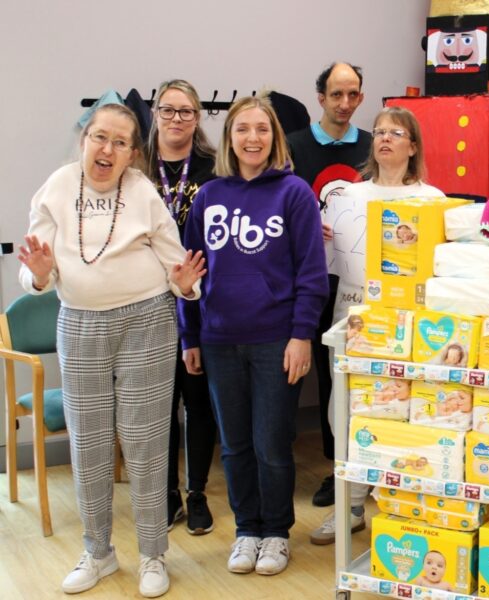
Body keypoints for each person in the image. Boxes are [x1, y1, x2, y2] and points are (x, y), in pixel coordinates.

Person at [18, 103, 205, 598]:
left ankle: (152, 554)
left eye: (120, 143)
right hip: (78, 324)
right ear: (84, 140)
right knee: (89, 443)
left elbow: (176, 266)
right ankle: (97, 551)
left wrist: (186, 285)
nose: (108, 150)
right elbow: (36, 272)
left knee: (145, 442)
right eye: (100, 138)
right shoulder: (57, 187)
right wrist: (38, 273)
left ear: (132, 153)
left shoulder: (142, 192)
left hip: (146, 321)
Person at [180, 96, 327, 576]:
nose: (252, 138)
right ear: (229, 138)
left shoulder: (294, 193)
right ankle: (247, 530)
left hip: (275, 341)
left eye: (262, 129)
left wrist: (302, 335)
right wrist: (191, 337)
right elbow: (190, 275)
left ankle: (276, 533)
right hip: (220, 340)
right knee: (236, 443)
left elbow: (312, 273)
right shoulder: (207, 196)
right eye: (242, 129)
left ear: (274, 137)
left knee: (271, 442)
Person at [310, 106, 443, 544]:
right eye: (380, 131)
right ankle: (349, 508)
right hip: (352, 312)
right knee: (342, 412)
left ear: (413, 145)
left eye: (396, 132)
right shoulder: (345, 196)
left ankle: (404, 504)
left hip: (411, 321)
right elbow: (325, 261)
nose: (385, 138)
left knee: (403, 409)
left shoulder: (433, 200)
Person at [286, 62, 372, 510]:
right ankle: (326, 466)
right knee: (319, 367)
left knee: (346, 374)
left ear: (360, 98)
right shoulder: (296, 146)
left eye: (352, 94)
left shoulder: (372, 147)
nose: (344, 103)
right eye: (335, 94)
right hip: (308, 276)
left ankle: (347, 466)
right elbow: (281, 203)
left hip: (356, 281)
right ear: (320, 97)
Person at [146, 79, 218, 536]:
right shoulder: (134, 166)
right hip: (147, 301)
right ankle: (167, 493)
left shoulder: (214, 168)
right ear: (155, 113)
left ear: (198, 117)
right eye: (168, 110)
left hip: (202, 299)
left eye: (186, 112)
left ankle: (196, 494)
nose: (176, 119)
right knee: (159, 404)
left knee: (197, 401)